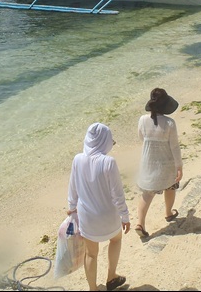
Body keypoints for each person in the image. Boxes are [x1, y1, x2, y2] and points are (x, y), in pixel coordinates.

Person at [67, 123, 130, 292]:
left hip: (87, 217)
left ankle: (93, 289)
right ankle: (111, 276)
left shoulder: (77, 159)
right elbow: (118, 194)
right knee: (116, 239)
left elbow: (72, 188)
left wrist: (72, 207)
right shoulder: (108, 162)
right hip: (108, 216)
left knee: (91, 254)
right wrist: (125, 216)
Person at [135, 88, 183, 240]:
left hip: (148, 161)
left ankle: (140, 223)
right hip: (166, 162)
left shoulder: (142, 120)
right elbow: (174, 146)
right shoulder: (169, 123)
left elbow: (141, 138)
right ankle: (168, 213)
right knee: (170, 187)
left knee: (147, 193)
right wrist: (179, 166)